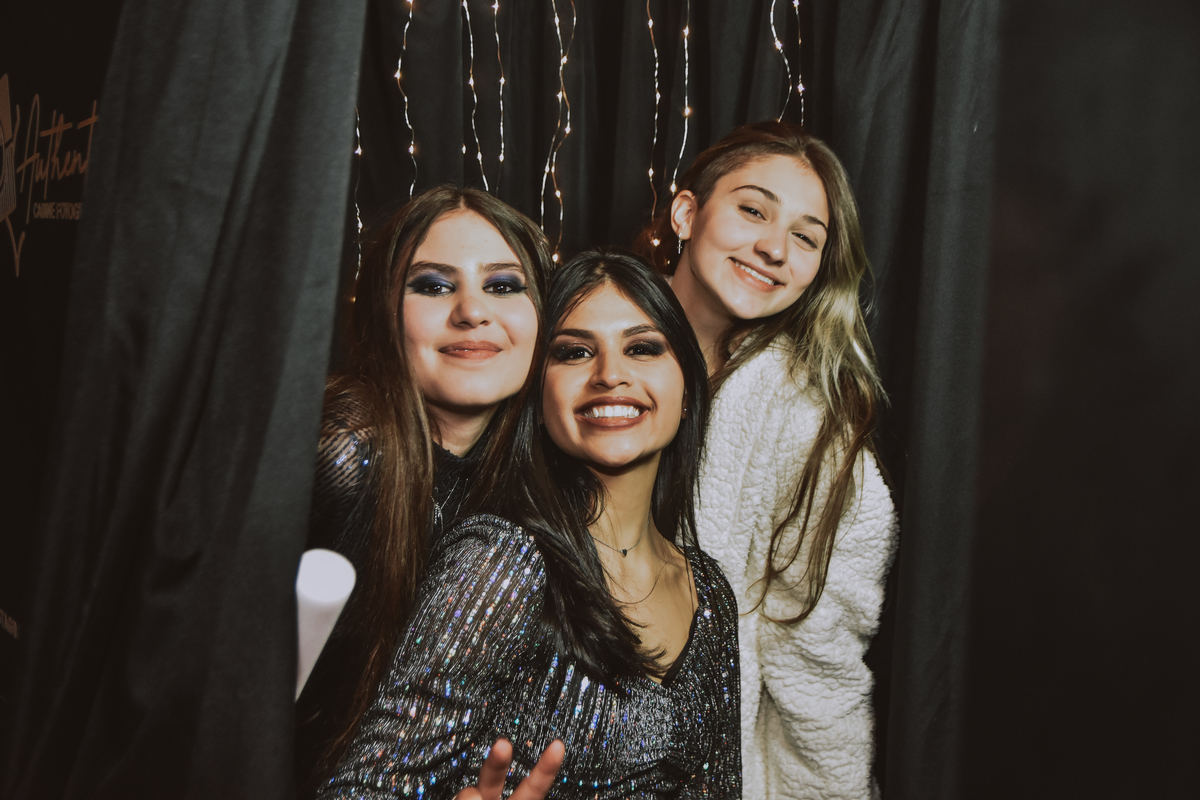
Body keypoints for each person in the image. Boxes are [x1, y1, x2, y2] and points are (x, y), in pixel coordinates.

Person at [317, 251, 741, 799]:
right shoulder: (501, 562)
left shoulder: (710, 592)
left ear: (686, 391)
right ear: (539, 397)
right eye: (574, 352)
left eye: (642, 348)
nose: (611, 374)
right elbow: (360, 787)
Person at [634, 121, 897, 800]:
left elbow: (818, 670)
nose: (775, 248)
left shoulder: (809, 432)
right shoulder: (574, 342)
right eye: (753, 210)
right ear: (686, 213)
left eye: (806, 238)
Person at [296, 186, 562, 798]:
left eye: (503, 285)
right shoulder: (344, 449)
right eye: (434, 286)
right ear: (383, 312)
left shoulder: (545, 476)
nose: (472, 311)